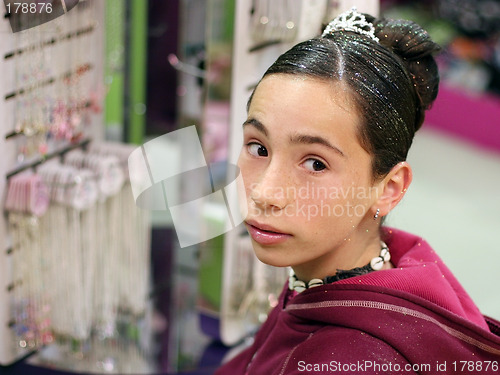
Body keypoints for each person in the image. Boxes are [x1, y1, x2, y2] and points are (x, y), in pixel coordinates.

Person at [214, 8, 500, 375]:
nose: (265, 193)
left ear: (389, 189)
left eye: (315, 163)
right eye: (258, 148)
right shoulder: (349, 281)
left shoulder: (351, 360)